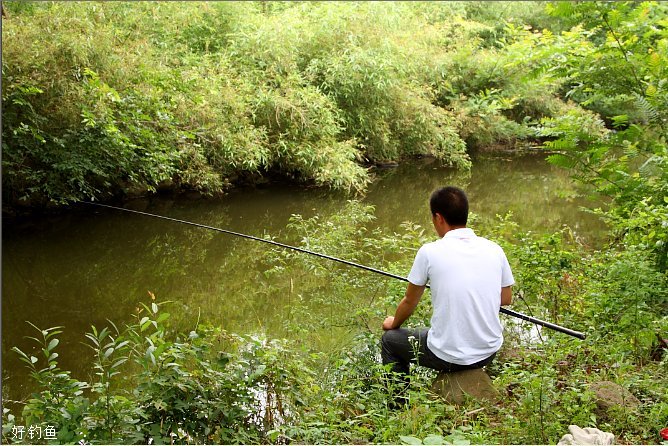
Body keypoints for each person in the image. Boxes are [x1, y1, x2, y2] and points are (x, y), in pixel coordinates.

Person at [381, 186, 514, 402]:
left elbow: (409, 301)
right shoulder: (494, 249)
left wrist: (393, 323)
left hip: (449, 356)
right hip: (488, 352)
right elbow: (506, 299)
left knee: (390, 341)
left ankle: (397, 406)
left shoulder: (429, 252)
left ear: (438, 218)